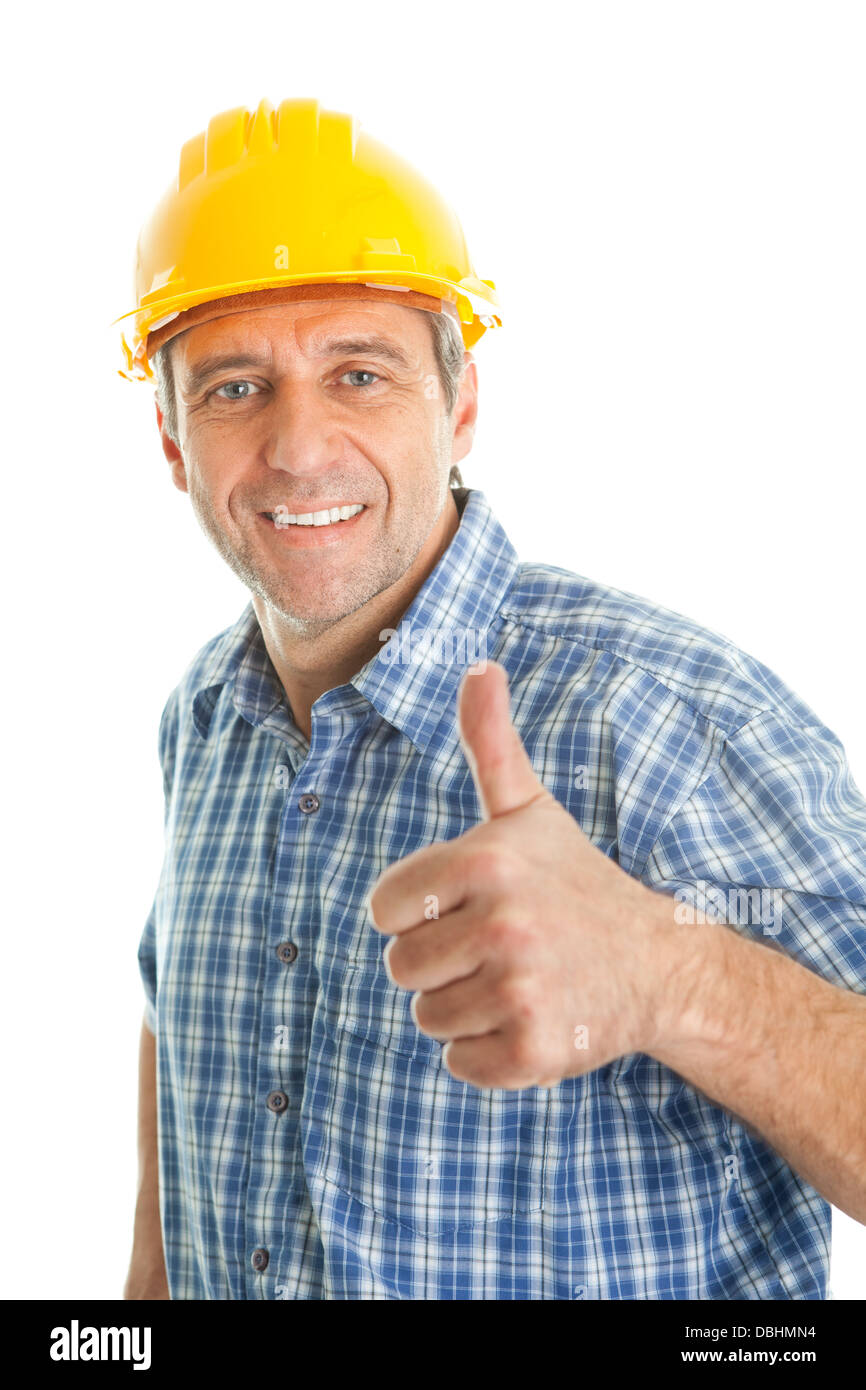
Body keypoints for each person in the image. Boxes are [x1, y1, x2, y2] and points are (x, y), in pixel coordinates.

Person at [120, 98, 866, 1301]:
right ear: (169, 440)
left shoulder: (660, 713)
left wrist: (672, 977)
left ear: (458, 406)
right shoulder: (203, 715)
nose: (300, 447)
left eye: (357, 373)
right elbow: (179, 1041)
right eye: (233, 388)